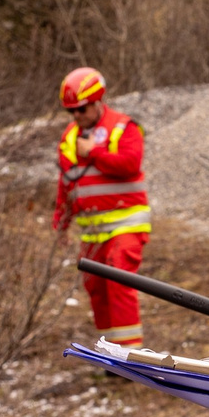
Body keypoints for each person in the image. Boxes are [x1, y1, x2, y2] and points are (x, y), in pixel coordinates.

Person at [52, 66, 150, 348]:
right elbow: (66, 183)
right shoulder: (70, 137)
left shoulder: (124, 127)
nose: (76, 116)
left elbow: (131, 164)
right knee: (95, 288)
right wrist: (61, 222)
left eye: (81, 109)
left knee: (119, 282)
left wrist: (93, 153)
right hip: (92, 231)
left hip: (126, 223)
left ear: (97, 102)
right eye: (71, 112)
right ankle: (110, 353)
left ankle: (130, 357)